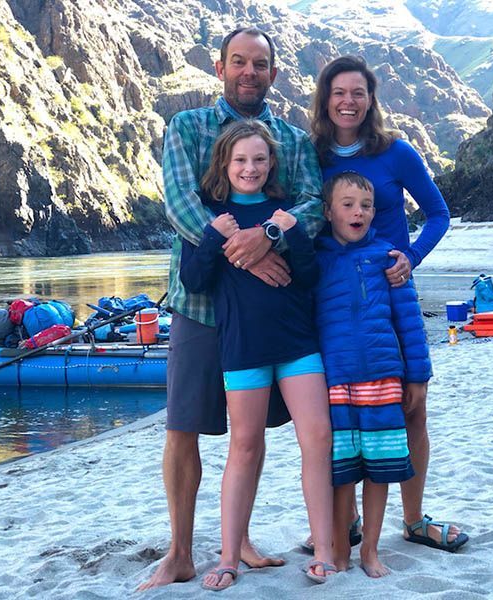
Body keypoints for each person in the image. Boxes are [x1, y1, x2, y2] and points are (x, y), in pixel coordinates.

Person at [138, 28, 325, 591]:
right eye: (239, 62)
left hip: (269, 310)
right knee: (183, 426)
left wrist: (267, 232)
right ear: (219, 67)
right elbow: (180, 204)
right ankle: (178, 552)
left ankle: (237, 541)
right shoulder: (187, 127)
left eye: (260, 64)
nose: (249, 71)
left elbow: (313, 205)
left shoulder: (292, 140)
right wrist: (244, 254)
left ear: (274, 73)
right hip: (200, 304)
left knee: (253, 434)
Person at [310, 55, 468, 553]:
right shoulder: (311, 155)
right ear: (325, 99)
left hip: (390, 293)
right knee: (341, 412)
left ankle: (414, 518)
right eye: (339, 92)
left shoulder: (396, 153)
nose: (348, 101)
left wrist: (411, 258)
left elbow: (439, 213)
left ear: (371, 99)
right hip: (335, 301)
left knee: (411, 407)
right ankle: (349, 519)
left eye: (358, 92)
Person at [180, 120, 335, 590]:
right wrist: (214, 235)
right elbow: (195, 282)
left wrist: (289, 233)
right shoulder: (212, 215)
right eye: (241, 160)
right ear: (225, 165)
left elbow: (308, 277)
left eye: (260, 160)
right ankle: (228, 558)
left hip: (297, 345)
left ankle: (325, 551)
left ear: (272, 165)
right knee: (244, 446)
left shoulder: (286, 213)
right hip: (242, 348)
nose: (251, 168)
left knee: (318, 439)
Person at [316, 172, 419, 576]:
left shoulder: (389, 259)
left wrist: (417, 377)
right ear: (328, 212)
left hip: (382, 379)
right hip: (336, 380)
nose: (358, 212)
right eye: (347, 204)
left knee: (380, 470)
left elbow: (408, 322)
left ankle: (370, 550)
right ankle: (341, 548)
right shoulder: (317, 261)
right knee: (342, 473)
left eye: (366, 205)